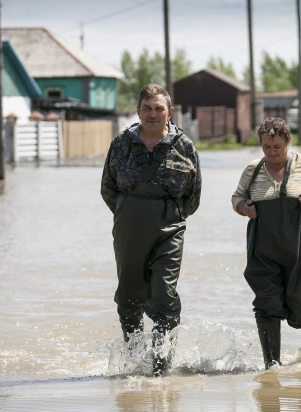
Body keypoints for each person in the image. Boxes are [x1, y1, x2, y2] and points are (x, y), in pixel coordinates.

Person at [100, 84, 202, 376]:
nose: (153, 114)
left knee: (163, 293)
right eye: (147, 108)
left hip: (169, 227)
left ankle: (161, 367)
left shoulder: (184, 146)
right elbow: (108, 188)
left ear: (169, 112)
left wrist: (167, 216)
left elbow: (193, 196)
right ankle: (133, 360)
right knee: (129, 294)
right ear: (138, 111)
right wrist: (128, 214)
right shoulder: (121, 143)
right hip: (128, 226)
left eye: (159, 109)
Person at [232, 117, 301, 370]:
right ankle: (272, 365)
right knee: (266, 303)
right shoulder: (252, 169)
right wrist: (244, 208)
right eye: (266, 147)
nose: (272, 152)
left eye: (277, 146)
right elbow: (237, 198)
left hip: (300, 246)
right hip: (262, 249)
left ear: (288, 142)